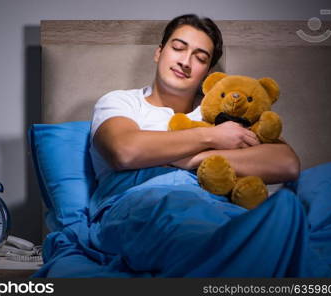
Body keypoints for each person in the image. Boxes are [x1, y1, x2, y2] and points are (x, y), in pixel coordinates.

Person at [89, 14, 300, 187]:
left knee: (288, 210)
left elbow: (287, 163)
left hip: (212, 210)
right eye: (178, 48)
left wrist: (192, 160)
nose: (185, 62)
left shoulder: (221, 111)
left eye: (200, 58)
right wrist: (211, 136)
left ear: (207, 72)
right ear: (159, 53)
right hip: (139, 207)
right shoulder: (122, 102)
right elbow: (125, 151)